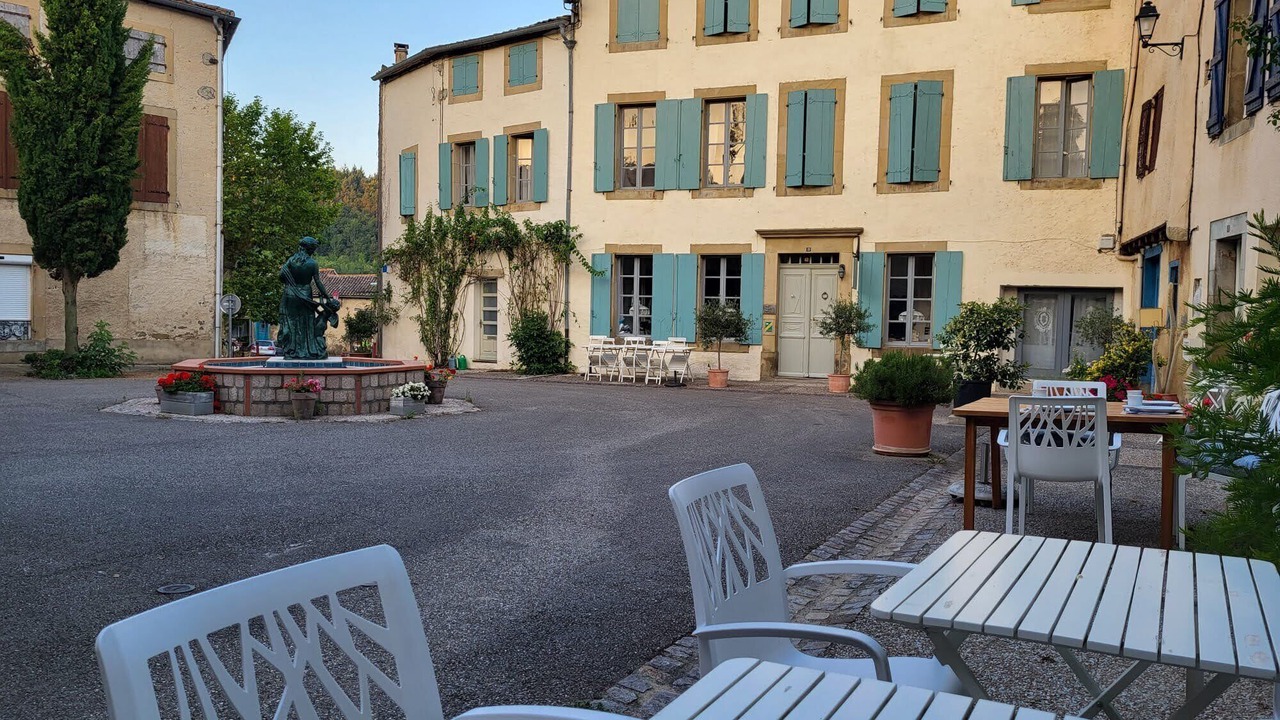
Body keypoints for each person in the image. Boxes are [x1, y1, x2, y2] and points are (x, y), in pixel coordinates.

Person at [276, 237, 340, 359]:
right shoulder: (312, 263)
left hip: (290, 294)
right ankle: (309, 350)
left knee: (292, 322)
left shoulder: (291, 261)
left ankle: (291, 350)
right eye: (313, 249)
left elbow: (281, 277)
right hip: (305, 293)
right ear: (310, 249)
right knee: (306, 322)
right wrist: (327, 297)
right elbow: (318, 283)